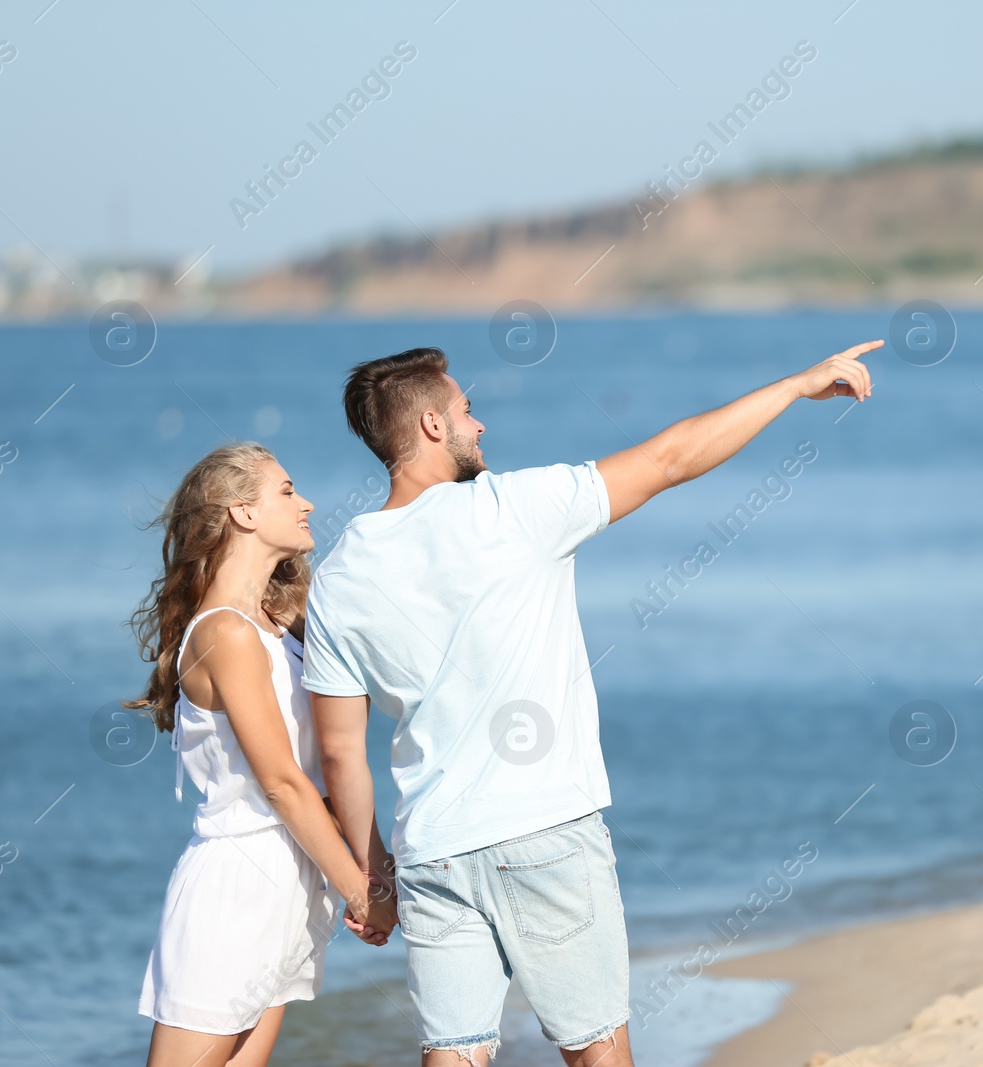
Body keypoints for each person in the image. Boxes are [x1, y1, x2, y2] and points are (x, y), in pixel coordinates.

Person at [306, 340, 879, 1066]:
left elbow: (337, 752)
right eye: (467, 411)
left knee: (452, 1056)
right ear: (429, 427)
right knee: (598, 1053)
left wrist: (371, 877)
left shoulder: (339, 572)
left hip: (434, 851)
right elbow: (672, 457)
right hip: (544, 827)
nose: (480, 427)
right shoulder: (515, 506)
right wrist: (795, 387)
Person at [129, 443, 397, 1067]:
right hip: (237, 883)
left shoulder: (280, 625)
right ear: (242, 513)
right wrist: (361, 891)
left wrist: (372, 870)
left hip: (292, 880)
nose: (306, 504)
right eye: (286, 491)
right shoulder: (224, 632)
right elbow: (280, 782)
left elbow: (325, 767)